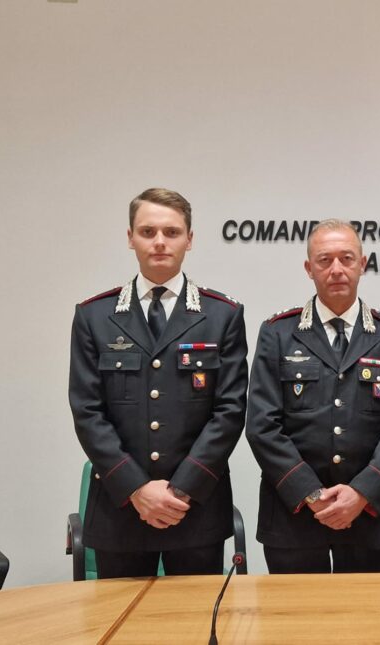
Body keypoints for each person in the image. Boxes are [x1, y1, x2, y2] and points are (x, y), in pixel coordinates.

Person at [69, 187, 248, 578]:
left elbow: (230, 411)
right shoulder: (94, 316)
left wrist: (181, 489)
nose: (160, 242)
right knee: (119, 616)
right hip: (120, 510)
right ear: (130, 238)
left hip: (195, 509)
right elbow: (87, 411)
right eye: (148, 232)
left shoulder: (223, 315)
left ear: (190, 239)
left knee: (197, 616)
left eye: (172, 232)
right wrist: (136, 488)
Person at [247, 219, 380, 573]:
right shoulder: (278, 333)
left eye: (346, 258)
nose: (336, 269)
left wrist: (362, 493)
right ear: (309, 268)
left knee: (364, 610)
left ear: (362, 264)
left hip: (365, 518)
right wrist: (310, 493)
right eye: (324, 260)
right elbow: (263, 425)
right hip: (292, 517)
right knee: (293, 611)